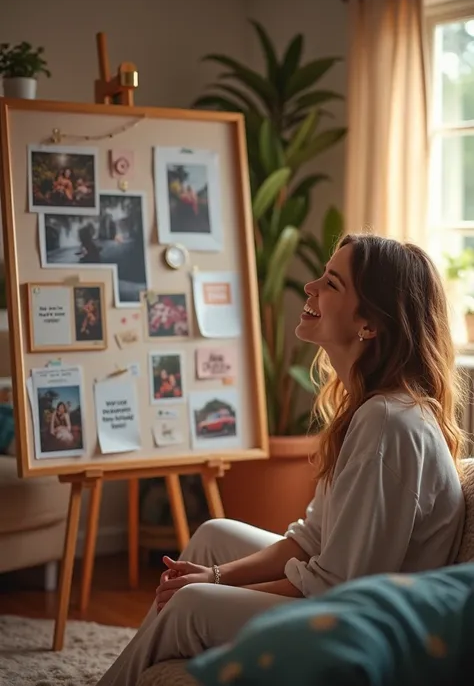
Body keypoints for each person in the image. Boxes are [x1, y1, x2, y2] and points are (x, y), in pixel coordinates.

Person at [97, 234, 466, 686]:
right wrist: (215, 572)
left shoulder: (389, 425)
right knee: (213, 536)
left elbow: (338, 588)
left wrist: (213, 587)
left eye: (331, 283)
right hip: (340, 593)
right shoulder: (373, 409)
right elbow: (311, 539)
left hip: (358, 627)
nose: (309, 287)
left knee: (191, 602)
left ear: (369, 323)